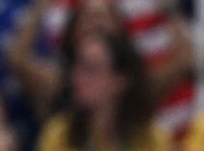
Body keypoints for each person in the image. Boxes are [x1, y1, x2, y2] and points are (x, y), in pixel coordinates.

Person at [36, 31, 172, 151]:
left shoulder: (152, 138)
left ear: (119, 82)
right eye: (77, 67)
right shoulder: (59, 134)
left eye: (90, 69)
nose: (77, 77)